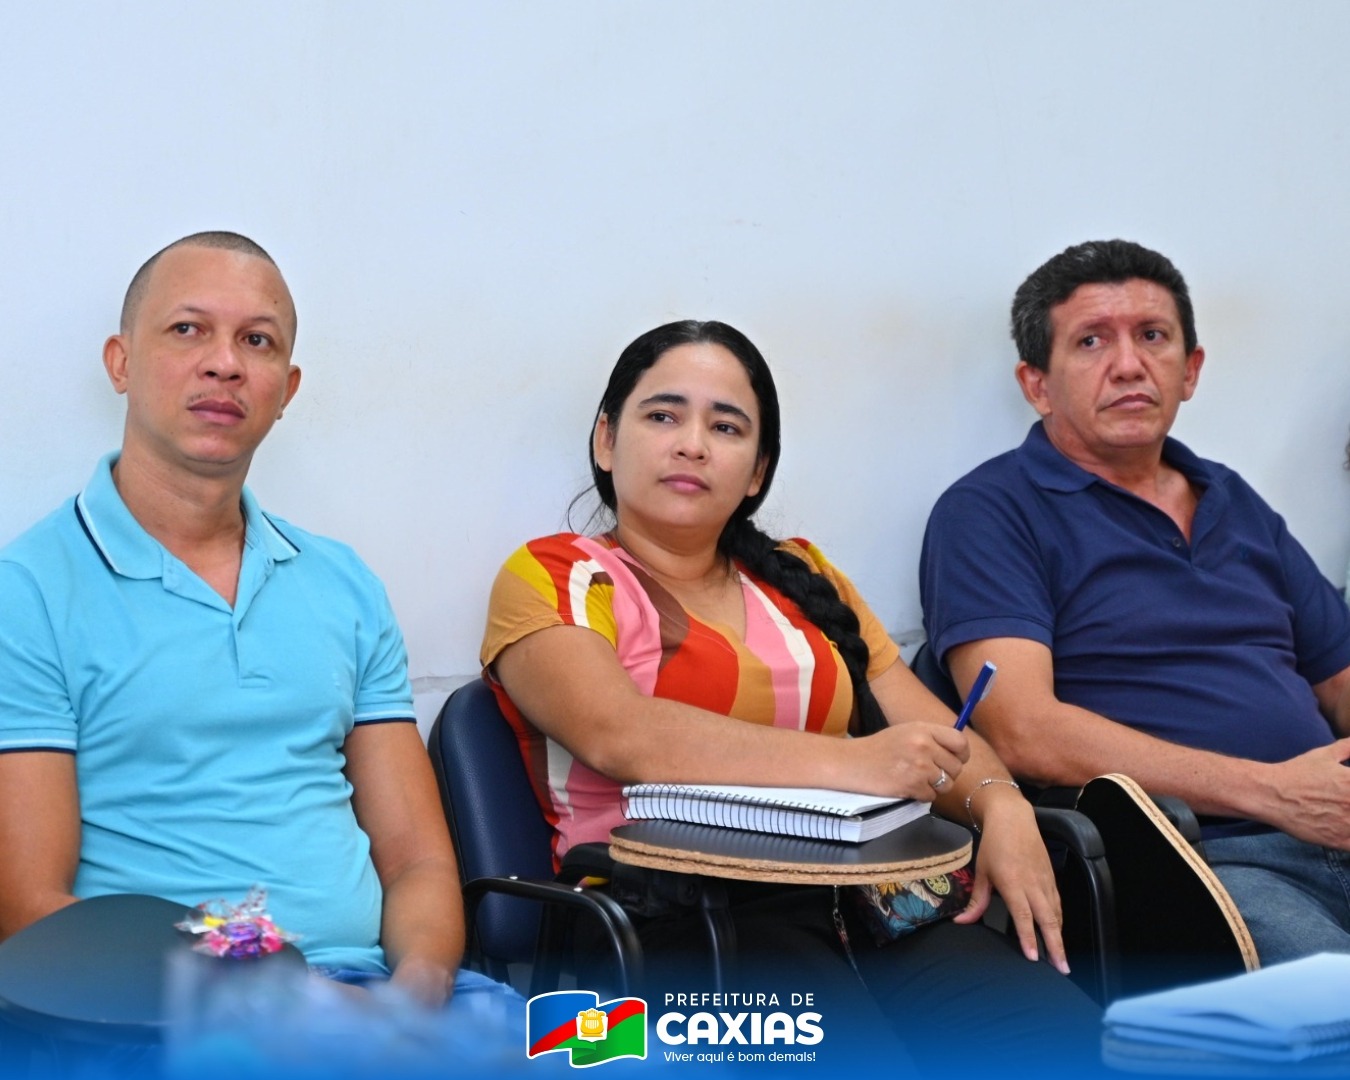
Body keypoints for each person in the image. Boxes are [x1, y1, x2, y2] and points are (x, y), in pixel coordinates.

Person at [481, 319, 1101, 1070]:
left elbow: (937, 737)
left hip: (874, 904)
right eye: (663, 416)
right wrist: (858, 764)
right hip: (672, 923)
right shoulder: (556, 574)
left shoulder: (805, 577)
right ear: (607, 441)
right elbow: (622, 735)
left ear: (757, 471)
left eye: (726, 427)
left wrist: (1002, 806)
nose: (692, 445)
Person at [0, 232, 477, 1010]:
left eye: (257, 341)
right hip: (155, 1010)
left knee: (617, 1052)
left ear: (286, 388)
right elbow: (29, 907)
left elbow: (417, 861)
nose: (224, 363)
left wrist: (415, 996)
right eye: (188, 329)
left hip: (374, 997)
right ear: (120, 362)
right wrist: (277, 985)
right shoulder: (28, 592)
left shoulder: (343, 585)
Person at [921, 239, 1350, 966]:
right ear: (1037, 384)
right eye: (1091, 341)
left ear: (1191, 370)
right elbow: (1023, 730)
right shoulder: (990, 511)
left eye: (1152, 336)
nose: (1128, 364)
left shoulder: (1234, 499)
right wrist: (1274, 793)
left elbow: (1338, 681)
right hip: (1200, 862)